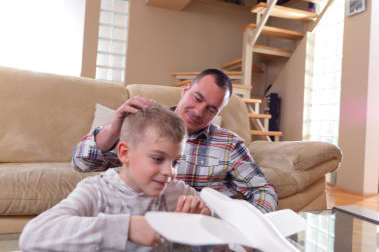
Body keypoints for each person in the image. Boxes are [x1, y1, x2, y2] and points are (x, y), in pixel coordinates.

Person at [72, 68, 278, 213]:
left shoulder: (230, 144)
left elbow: (262, 191)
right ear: (185, 90)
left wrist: (243, 227)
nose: (199, 112)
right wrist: (113, 127)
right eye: (197, 98)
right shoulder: (146, 126)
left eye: (211, 109)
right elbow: (82, 162)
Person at [19, 103, 210, 251]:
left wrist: (202, 218)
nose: (170, 172)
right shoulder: (97, 191)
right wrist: (126, 228)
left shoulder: (177, 191)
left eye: (175, 162)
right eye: (158, 158)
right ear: (125, 153)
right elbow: (33, 235)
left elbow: (216, 215)